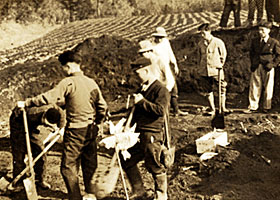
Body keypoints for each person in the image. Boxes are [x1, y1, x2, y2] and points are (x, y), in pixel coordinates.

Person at [24, 50, 108, 200]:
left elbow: (50, 97)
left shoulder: (68, 82)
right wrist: (98, 122)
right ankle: (91, 195)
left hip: (75, 131)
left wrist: (27, 102)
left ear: (68, 66)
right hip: (90, 130)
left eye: (63, 67)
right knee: (89, 165)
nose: (63, 70)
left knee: (68, 167)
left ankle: (75, 197)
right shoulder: (91, 82)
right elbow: (102, 106)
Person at [121, 57, 170, 200]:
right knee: (127, 158)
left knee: (154, 164)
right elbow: (135, 110)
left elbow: (160, 110)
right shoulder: (142, 89)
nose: (136, 77)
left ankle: (161, 195)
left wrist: (142, 102)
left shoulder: (161, 90)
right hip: (138, 134)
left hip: (152, 133)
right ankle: (139, 190)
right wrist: (125, 125)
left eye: (138, 74)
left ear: (147, 70)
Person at [9, 104, 66, 191]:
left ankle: (40, 179)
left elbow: (61, 114)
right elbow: (25, 124)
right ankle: (18, 182)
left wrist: (61, 128)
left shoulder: (57, 111)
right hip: (18, 121)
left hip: (32, 125)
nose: (47, 126)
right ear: (44, 116)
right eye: (46, 124)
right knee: (19, 153)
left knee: (40, 151)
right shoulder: (33, 113)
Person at [151, 27, 188, 117]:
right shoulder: (151, 45)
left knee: (173, 88)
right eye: (158, 37)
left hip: (167, 67)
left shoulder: (166, 42)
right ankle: (161, 110)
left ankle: (176, 110)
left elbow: (170, 53)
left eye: (161, 37)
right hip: (157, 70)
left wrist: (175, 64)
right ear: (155, 36)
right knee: (162, 89)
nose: (160, 39)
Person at [244, 22, 280, 113]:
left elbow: (278, 55)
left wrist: (272, 64)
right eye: (259, 30)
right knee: (255, 86)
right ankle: (253, 106)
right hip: (257, 65)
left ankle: (266, 107)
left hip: (268, 67)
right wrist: (253, 63)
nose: (260, 32)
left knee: (268, 87)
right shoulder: (255, 41)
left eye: (263, 30)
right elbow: (251, 53)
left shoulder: (273, 42)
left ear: (268, 31)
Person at [197, 23, 230, 115]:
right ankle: (212, 109)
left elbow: (223, 55)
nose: (202, 35)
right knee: (207, 90)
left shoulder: (218, 42)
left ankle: (222, 108)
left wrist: (220, 65)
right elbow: (199, 57)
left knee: (221, 88)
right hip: (204, 71)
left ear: (209, 31)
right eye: (201, 34)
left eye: (203, 33)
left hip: (216, 70)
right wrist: (200, 68)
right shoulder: (200, 44)